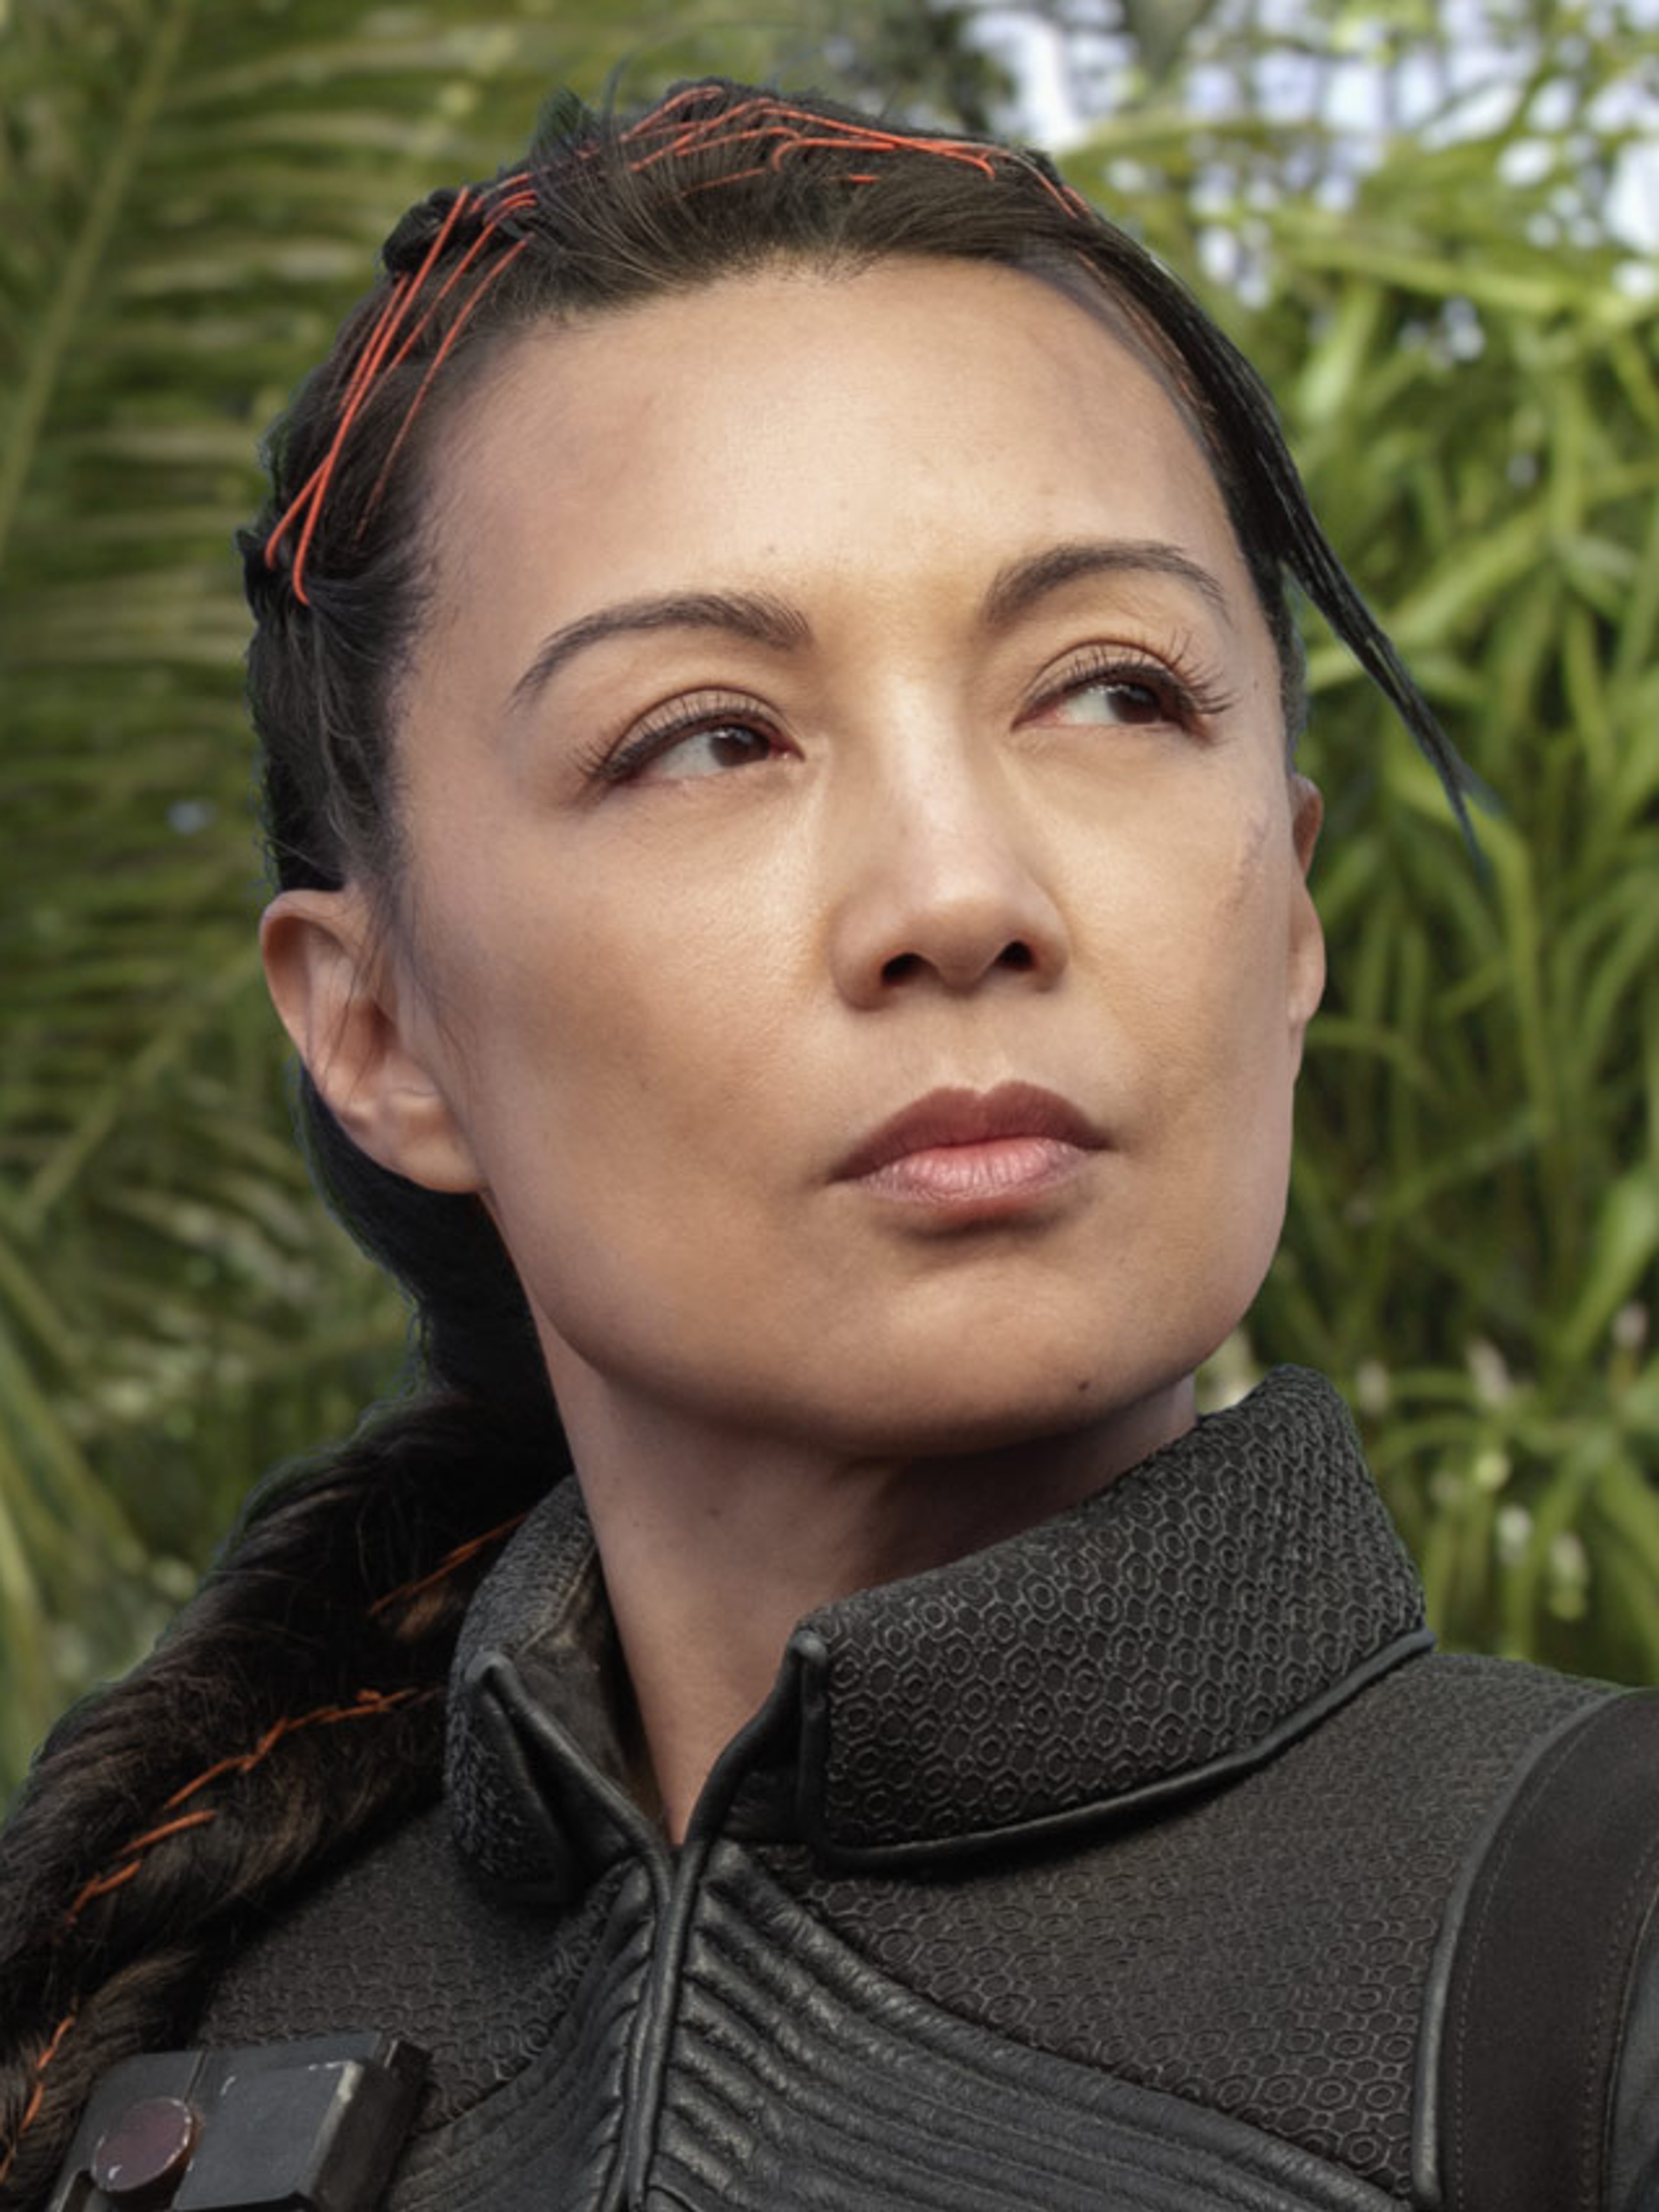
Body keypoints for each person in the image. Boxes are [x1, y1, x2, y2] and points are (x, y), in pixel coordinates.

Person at [1, 75, 1655, 2212]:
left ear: (1295, 908)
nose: (963, 892)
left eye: (1114, 691)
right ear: (380, 1025)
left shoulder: (1591, 1977)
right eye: (710, 736)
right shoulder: (155, 2054)